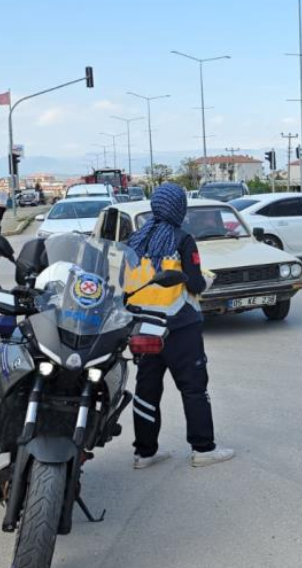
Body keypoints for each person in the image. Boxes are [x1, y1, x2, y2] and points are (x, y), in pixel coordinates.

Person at [123, 183, 235, 469]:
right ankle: (203, 449)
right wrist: (205, 280)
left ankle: (144, 453)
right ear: (178, 208)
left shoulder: (134, 240)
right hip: (180, 326)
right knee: (193, 388)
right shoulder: (182, 239)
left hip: (144, 327)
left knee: (146, 390)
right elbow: (194, 284)